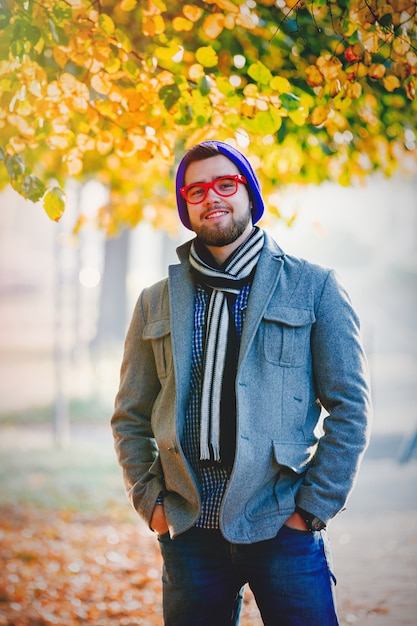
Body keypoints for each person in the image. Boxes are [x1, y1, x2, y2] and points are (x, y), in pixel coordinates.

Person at [111, 140, 372, 626]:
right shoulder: (154, 301)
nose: (212, 197)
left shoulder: (314, 287)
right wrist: (151, 504)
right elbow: (129, 414)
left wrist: (312, 510)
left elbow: (351, 407)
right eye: (196, 190)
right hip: (189, 532)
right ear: (186, 207)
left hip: (283, 526)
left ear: (249, 194)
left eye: (225, 184)